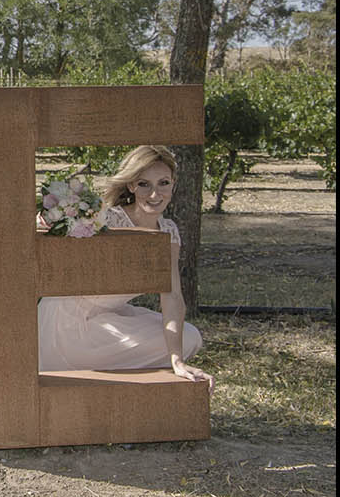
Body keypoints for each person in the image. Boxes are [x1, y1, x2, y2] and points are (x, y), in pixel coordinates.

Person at [37, 145, 213, 390]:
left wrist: (177, 361)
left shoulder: (169, 231)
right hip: (67, 324)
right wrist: (50, 219)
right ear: (131, 186)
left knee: (190, 337)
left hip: (110, 317)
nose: (155, 194)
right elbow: (53, 238)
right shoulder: (106, 219)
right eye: (144, 184)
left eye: (163, 183)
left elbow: (172, 296)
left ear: (173, 184)